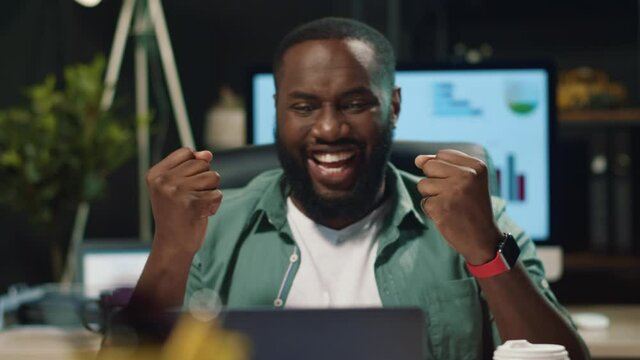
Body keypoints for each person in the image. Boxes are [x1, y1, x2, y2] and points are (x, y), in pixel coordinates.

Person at [132, 17, 589, 359]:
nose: (329, 129)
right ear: (277, 111)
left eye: (354, 104)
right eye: (304, 107)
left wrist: (486, 250)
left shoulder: (478, 220)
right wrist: (170, 247)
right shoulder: (214, 226)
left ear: (393, 107)